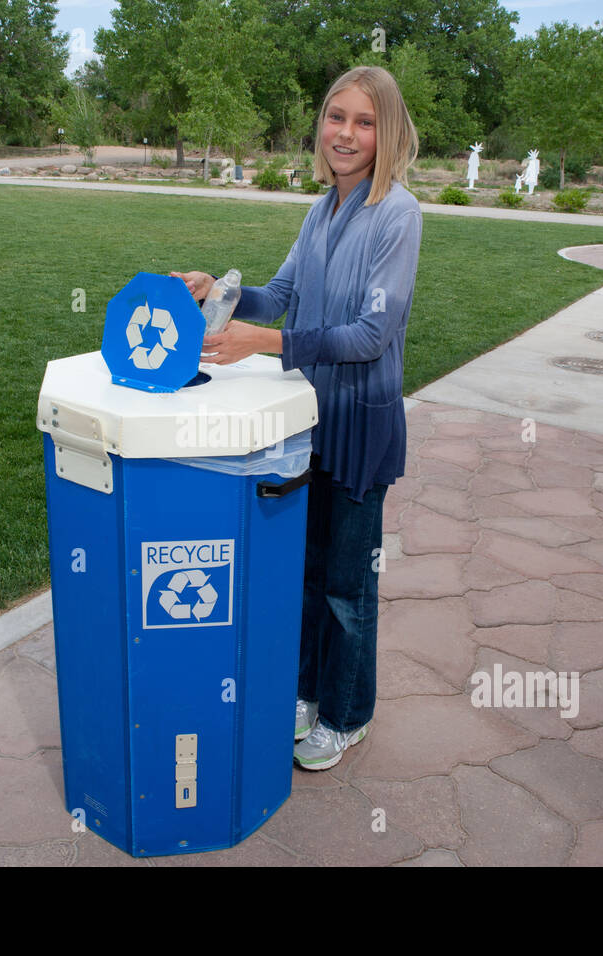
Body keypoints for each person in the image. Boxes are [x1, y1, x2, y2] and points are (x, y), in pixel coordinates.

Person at [170, 65, 422, 771]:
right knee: (308, 576)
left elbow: (372, 334)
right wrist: (217, 288)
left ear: (387, 132)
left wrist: (270, 344)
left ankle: (348, 715)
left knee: (348, 587)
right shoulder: (323, 207)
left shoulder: (398, 215)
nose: (345, 133)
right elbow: (279, 293)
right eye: (336, 117)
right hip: (307, 422)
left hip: (359, 425)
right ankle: (310, 694)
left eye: (364, 122)